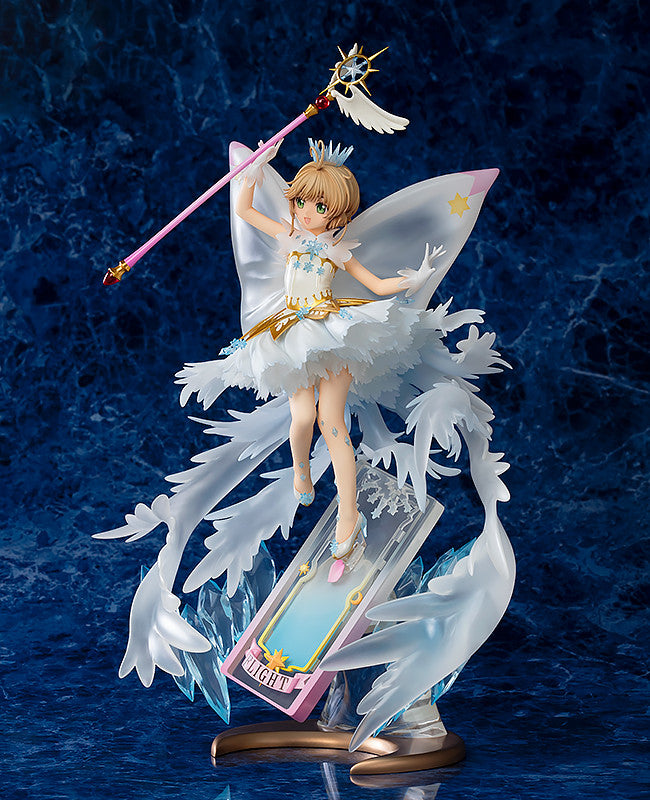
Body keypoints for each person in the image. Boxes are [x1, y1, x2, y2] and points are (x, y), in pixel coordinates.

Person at [177, 139, 445, 559]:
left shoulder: (337, 251)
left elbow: (376, 285)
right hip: (291, 335)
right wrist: (254, 170)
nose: (306, 212)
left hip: (334, 332)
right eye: (301, 202)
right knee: (302, 417)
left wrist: (416, 278)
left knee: (332, 422)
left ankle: (349, 515)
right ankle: (301, 471)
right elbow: (244, 209)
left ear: (336, 214)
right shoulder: (288, 234)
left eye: (319, 207)